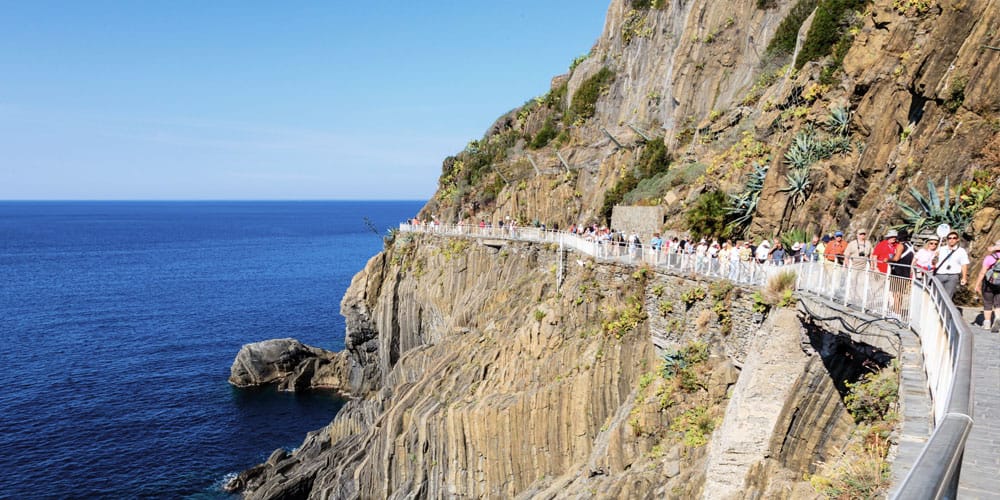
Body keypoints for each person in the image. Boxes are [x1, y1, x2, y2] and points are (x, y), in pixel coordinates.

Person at [973, 240, 1000, 331]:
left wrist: (977, 285)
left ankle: (987, 323)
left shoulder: (990, 257)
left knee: (988, 302)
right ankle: (997, 317)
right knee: (998, 303)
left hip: (989, 283)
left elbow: (982, 272)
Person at [935, 231, 970, 299]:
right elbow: (933, 263)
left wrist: (964, 277)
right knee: (936, 295)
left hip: (953, 276)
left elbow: (964, 264)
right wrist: (935, 257)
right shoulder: (941, 249)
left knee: (948, 297)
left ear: (957, 239)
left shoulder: (961, 251)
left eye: (954, 238)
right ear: (947, 239)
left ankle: (944, 309)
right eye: (950, 238)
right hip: (940, 274)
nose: (952, 240)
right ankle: (935, 309)